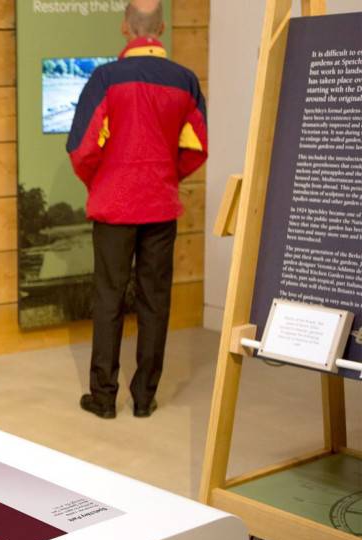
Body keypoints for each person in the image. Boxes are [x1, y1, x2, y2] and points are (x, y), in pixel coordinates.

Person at [67, 0, 207, 419]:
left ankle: (104, 398)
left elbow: (81, 148)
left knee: (109, 299)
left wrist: (103, 180)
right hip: (160, 207)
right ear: (160, 28)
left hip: (114, 207)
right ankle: (145, 398)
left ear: (125, 28)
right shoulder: (185, 81)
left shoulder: (105, 78)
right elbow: (197, 147)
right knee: (155, 300)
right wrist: (166, 177)